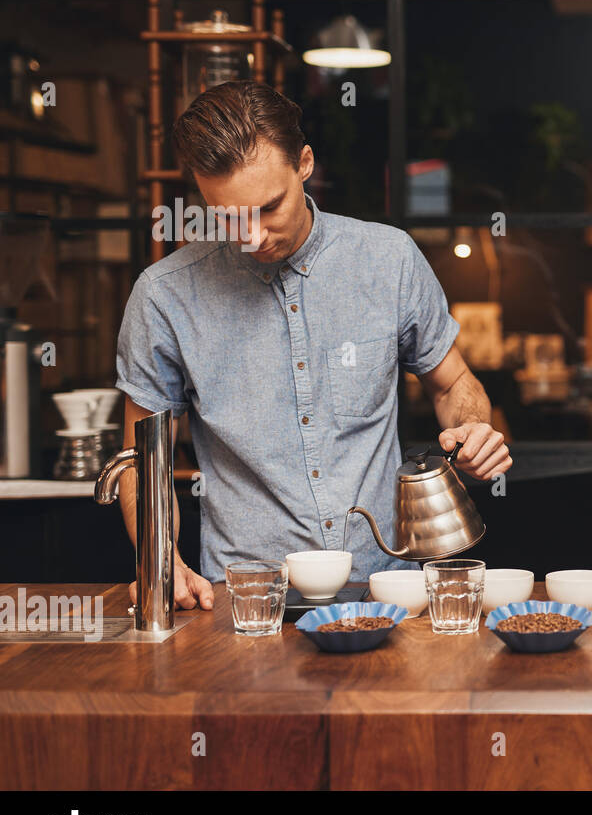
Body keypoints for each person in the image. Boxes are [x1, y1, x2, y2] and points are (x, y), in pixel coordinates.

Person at [114, 80, 510, 610]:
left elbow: (454, 382)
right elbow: (141, 458)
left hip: (386, 591)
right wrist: (161, 557)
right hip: (245, 600)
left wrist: (471, 429)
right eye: (228, 217)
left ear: (304, 164)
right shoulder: (163, 296)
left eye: (268, 208)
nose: (251, 236)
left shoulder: (388, 260)